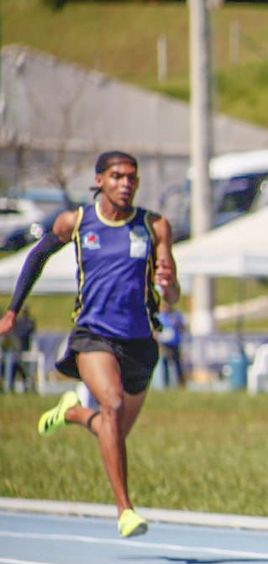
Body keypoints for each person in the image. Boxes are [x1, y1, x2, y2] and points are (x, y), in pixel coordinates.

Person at [0, 150, 180, 537]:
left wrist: (168, 285)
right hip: (93, 335)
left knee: (112, 431)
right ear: (99, 180)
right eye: (117, 176)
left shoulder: (154, 226)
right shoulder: (78, 221)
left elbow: (173, 292)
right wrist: (14, 310)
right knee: (111, 406)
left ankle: (73, 412)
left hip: (141, 342)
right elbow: (38, 256)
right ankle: (125, 510)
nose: (126, 183)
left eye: (132, 177)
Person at [2, 307, 36, 393]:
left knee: (15, 362)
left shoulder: (27, 323)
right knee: (13, 361)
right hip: (15, 353)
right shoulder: (19, 324)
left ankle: (11, 386)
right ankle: (10, 386)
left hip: (22, 353)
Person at [157, 300, 186, 388]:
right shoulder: (160, 317)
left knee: (177, 364)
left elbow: (182, 328)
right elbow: (156, 330)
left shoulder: (176, 316)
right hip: (165, 344)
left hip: (175, 343)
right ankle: (166, 384)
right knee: (165, 363)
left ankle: (181, 383)